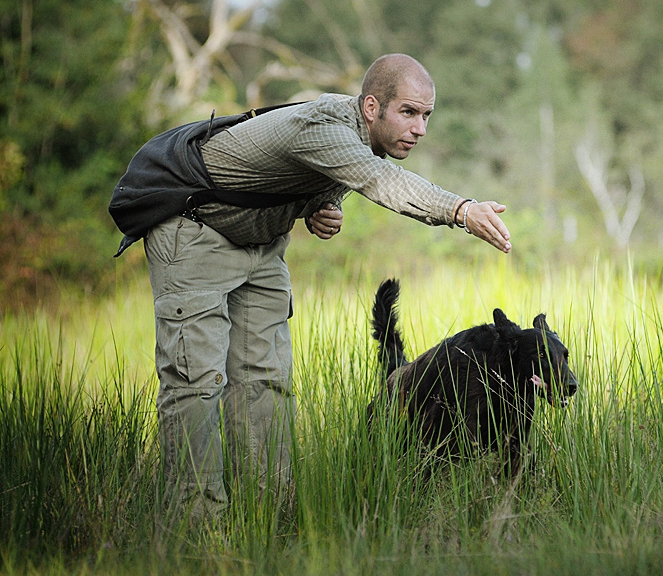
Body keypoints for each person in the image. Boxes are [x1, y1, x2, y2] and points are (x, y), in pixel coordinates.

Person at [144, 53, 511, 525]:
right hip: (195, 235)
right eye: (409, 112)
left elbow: (304, 177)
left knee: (265, 383)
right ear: (373, 106)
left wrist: (318, 207)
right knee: (196, 384)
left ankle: (269, 521)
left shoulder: (361, 138)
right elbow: (382, 182)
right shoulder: (325, 126)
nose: (420, 128)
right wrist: (460, 209)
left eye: (427, 116)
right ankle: (195, 527)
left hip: (261, 247)